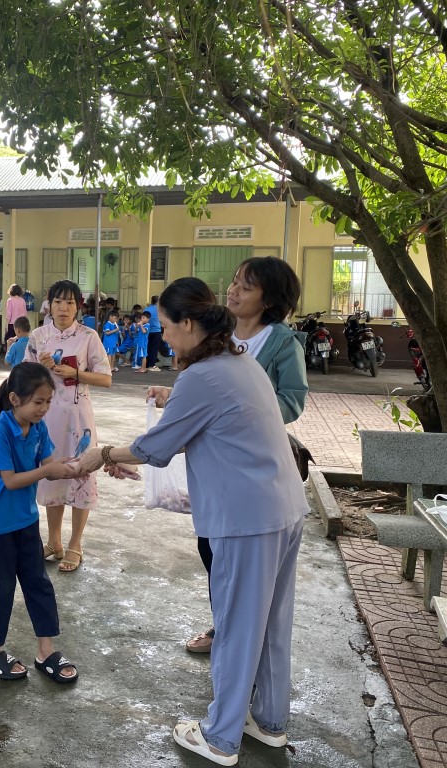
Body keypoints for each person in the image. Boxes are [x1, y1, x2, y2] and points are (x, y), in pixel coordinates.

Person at [78, 277, 309, 766]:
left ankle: (220, 738)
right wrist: (129, 453)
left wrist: (102, 455)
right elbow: (195, 433)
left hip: (248, 518)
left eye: (165, 325)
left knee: (237, 626)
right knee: (271, 623)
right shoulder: (238, 361)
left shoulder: (203, 375)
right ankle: (269, 722)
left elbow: (157, 446)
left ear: (188, 323)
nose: (162, 336)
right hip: (284, 507)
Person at [185, 255, 308, 654]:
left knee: (247, 563)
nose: (232, 290)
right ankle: (225, 627)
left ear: (269, 301)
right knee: (211, 548)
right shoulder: (218, 332)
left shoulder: (282, 343)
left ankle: (244, 642)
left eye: (245, 286)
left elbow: (293, 400)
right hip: (214, 462)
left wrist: (242, 408)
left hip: (253, 467)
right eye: (234, 281)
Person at [0, 363, 80, 683]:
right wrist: (48, 471)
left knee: (38, 583)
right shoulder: (0, 431)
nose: (44, 409)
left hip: (25, 520)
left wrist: (75, 467)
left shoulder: (38, 428)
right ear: (15, 399)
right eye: (38, 402)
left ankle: (46, 651)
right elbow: (10, 480)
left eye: (48, 402)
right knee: (2, 588)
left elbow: (49, 464)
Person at [23, 279, 112, 573]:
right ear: (49, 305)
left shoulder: (88, 336)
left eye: (70, 302)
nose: (63, 308)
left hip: (77, 420)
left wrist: (76, 372)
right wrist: (40, 368)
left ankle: (75, 544)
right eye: (58, 302)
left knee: (80, 474)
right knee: (52, 475)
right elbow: (22, 377)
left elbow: (106, 378)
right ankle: (54, 541)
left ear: (78, 307)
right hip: (46, 419)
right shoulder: (38, 337)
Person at [144, 294, 163, 370]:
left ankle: (145, 364)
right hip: (157, 331)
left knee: (147, 347)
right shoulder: (159, 310)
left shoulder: (146, 309)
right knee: (154, 349)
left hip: (147, 331)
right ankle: (151, 365)